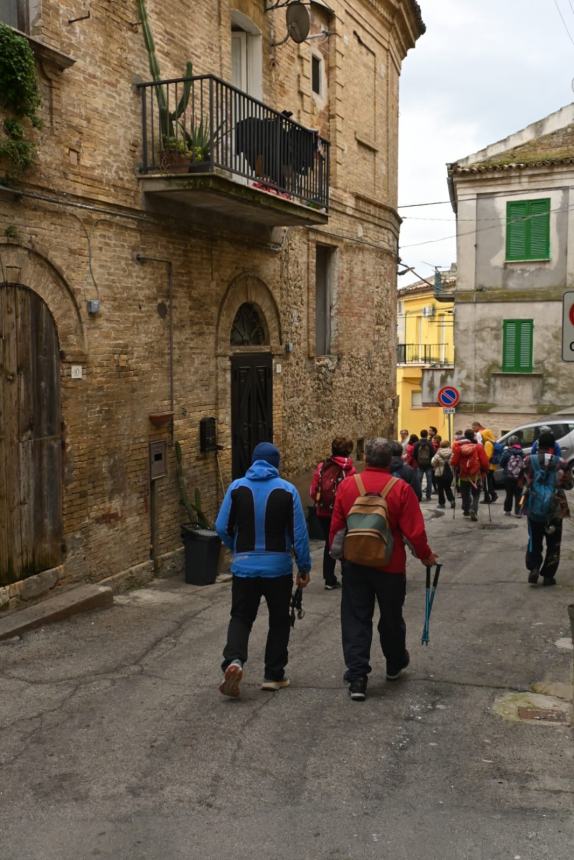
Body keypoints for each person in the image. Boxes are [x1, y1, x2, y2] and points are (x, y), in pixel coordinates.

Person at [329, 438, 437, 701]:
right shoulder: (399, 488)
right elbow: (414, 531)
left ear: (365, 458)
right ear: (390, 461)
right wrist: (425, 556)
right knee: (391, 617)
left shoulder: (348, 485)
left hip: (355, 564)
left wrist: (337, 556)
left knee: (356, 618)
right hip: (390, 566)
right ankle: (394, 663)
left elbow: (337, 528)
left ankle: (357, 677)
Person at [216, 442, 311, 697]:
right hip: (277, 568)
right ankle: (273, 674)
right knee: (279, 620)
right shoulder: (288, 490)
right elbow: (299, 535)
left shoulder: (236, 487)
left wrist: (236, 547)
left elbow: (221, 526)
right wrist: (304, 567)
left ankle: (234, 661)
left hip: (244, 566)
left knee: (241, 617)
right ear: (275, 463)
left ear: (254, 461)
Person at [524, 431, 573, 586]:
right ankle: (548, 576)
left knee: (534, 539)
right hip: (555, 509)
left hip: (534, 507)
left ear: (538, 445)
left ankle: (534, 567)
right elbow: (569, 485)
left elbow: (522, 480)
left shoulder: (528, 460)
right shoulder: (562, 463)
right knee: (554, 543)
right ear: (553, 446)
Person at [310, 437, 356, 590]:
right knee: (345, 542)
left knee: (329, 543)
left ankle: (329, 579)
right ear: (348, 451)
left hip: (323, 512)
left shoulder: (322, 466)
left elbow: (313, 491)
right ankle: (348, 576)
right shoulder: (350, 469)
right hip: (343, 513)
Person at [451, 429, 490, 521]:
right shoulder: (479, 447)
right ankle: (473, 509)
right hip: (476, 475)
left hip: (463, 475)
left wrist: (456, 469)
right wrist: (485, 470)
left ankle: (466, 510)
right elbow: (484, 462)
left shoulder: (458, 447)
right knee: (476, 494)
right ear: (474, 436)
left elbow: (454, 462)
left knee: (465, 493)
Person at [472, 421, 498, 504]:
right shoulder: (488, 442)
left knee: (486, 482)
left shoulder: (487, 444)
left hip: (488, 466)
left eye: (480, 437)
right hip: (489, 466)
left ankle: (491, 496)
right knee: (487, 481)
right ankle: (489, 496)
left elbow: (487, 456)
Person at [499, 435, 524, 517]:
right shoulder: (522, 452)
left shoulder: (506, 452)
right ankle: (518, 512)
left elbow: (501, 463)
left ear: (509, 443)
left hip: (508, 476)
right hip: (519, 477)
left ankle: (507, 511)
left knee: (508, 494)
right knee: (519, 495)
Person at [432, 440, 455, 509]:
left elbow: (433, 463)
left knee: (440, 489)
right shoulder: (452, 453)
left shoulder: (438, 453)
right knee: (448, 487)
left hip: (439, 473)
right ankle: (452, 500)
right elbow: (454, 462)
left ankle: (441, 503)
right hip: (449, 473)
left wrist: (437, 465)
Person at [413, 429, 434, 501]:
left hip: (419, 464)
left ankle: (419, 495)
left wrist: (418, 461)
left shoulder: (416, 444)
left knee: (419, 481)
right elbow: (432, 454)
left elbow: (414, 454)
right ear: (427, 435)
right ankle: (428, 496)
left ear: (420, 434)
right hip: (428, 465)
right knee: (429, 481)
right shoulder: (430, 443)